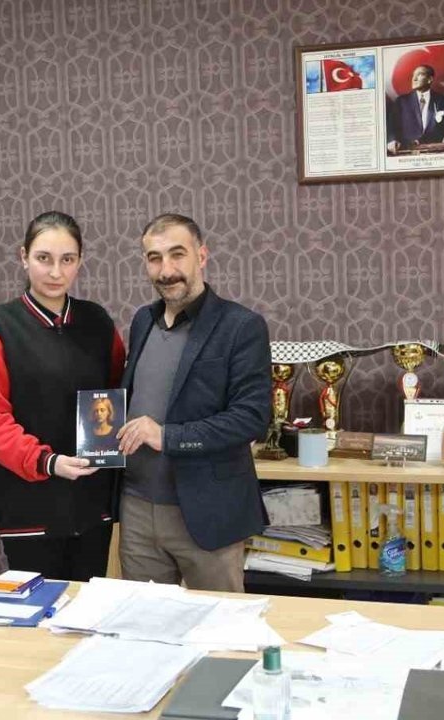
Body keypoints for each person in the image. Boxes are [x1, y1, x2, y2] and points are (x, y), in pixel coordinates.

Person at [116, 213, 271, 592]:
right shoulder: (142, 321)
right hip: (137, 509)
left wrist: (166, 436)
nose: (166, 270)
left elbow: (251, 418)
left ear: (201, 256)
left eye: (177, 254)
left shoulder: (241, 326)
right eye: (154, 258)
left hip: (207, 511)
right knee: (144, 621)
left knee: (221, 623)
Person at [0, 211, 125, 581]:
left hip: (93, 505)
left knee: (89, 607)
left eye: (67, 259)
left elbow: (118, 395)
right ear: (24, 257)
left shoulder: (98, 322)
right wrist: (47, 462)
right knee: (41, 611)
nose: (56, 272)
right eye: (44, 258)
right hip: (29, 507)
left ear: (80, 261)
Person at [386, 64, 444, 153]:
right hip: (406, 151)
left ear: (430, 79)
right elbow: (391, 126)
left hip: (434, 151)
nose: (414, 79)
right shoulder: (401, 101)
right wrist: (392, 140)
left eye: (419, 74)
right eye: (413, 75)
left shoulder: (441, 100)